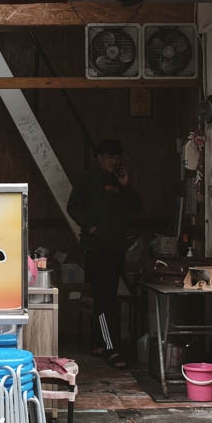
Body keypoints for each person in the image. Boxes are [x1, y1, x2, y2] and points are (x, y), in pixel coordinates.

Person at [66, 139, 140, 368]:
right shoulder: (88, 179)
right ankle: (112, 349)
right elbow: (73, 207)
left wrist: (126, 185)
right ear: (99, 158)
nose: (113, 161)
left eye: (116, 157)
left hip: (117, 248)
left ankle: (99, 342)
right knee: (105, 298)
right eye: (109, 156)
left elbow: (136, 208)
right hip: (97, 248)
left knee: (105, 298)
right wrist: (90, 227)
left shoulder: (119, 181)